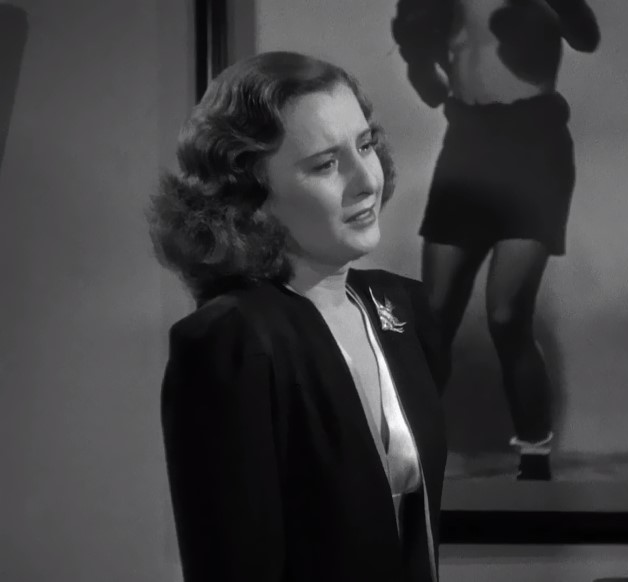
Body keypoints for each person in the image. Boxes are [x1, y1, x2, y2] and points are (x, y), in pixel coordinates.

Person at [147, 51, 448, 582]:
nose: (366, 180)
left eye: (365, 145)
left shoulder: (401, 308)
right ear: (251, 195)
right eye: (326, 164)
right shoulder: (231, 340)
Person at [392, 0, 600, 480]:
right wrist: (421, 61)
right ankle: (409, 455)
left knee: (507, 317)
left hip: (534, 146)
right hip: (467, 145)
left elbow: (586, 38)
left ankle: (535, 457)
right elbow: (427, 80)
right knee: (435, 317)